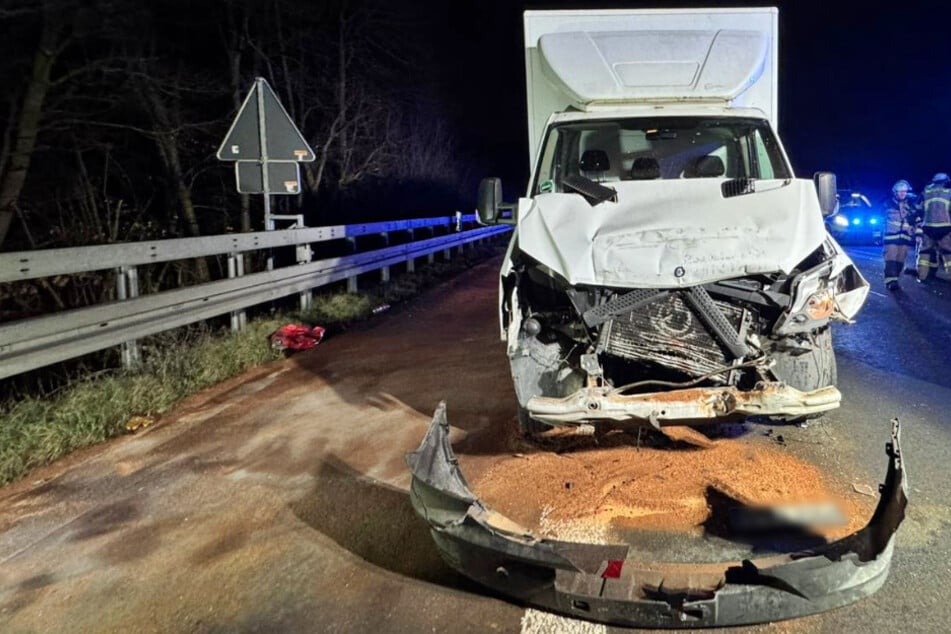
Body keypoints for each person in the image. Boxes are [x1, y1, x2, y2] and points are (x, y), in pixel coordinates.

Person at [881, 179, 918, 290]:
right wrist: (877, 236)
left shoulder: (911, 206)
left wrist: (916, 233)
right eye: (900, 191)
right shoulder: (887, 204)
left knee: (900, 261)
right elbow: (880, 221)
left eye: (905, 192)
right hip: (891, 237)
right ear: (895, 192)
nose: (903, 193)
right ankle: (891, 282)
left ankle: (895, 278)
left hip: (905, 238)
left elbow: (916, 220)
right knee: (891, 260)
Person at [916, 172, 951, 283]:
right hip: (945, 227)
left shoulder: (925, 192)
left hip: (928, 228)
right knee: (948, 253)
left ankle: (922, 276)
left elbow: (917, 209)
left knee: (925, 252)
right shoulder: (949, 192)